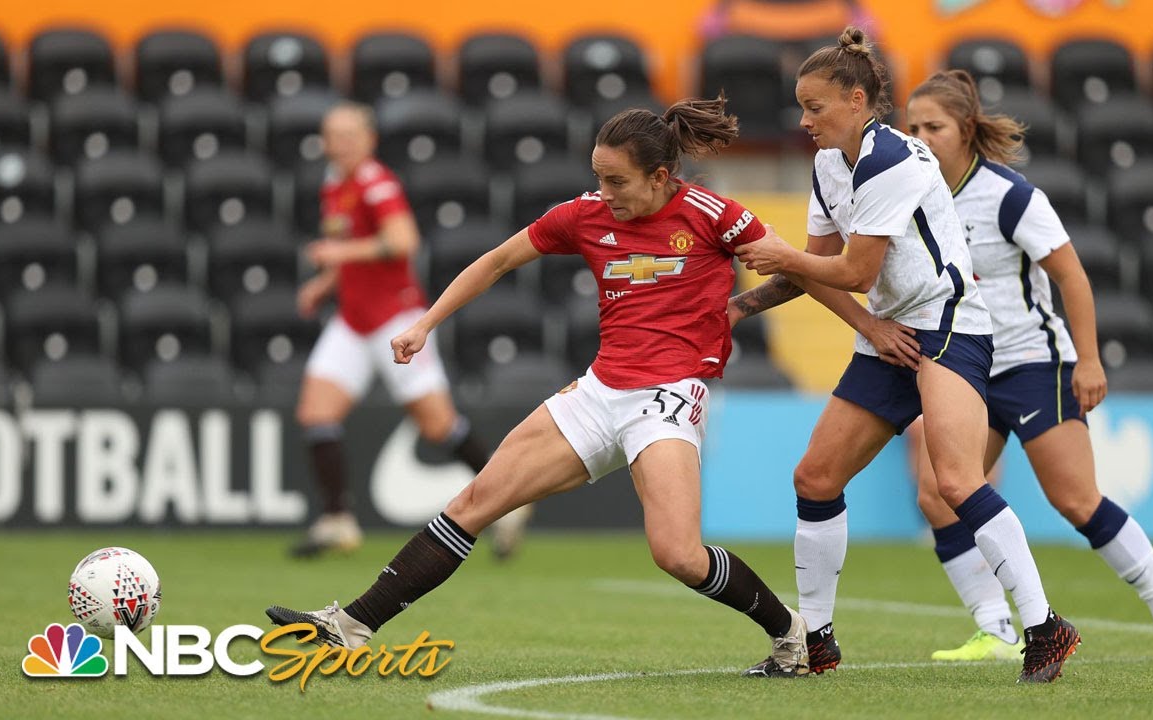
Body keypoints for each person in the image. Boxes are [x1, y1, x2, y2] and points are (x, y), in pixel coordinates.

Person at [268, 96, 813, 678]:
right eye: (597, 177)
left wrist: (747, 308)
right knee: (473, 503)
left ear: (659, 177)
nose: (603, 192)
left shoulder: (713, 214)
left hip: (670, 396)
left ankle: (791, 633)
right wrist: (426, 322)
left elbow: (799, 269)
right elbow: (498, 261)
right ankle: (350, 626)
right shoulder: (585, 213)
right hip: (600, 391)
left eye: (616, 181)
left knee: (676, 554)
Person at [729, 27, 1080, 683]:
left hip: (948, 326)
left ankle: (1044, 628)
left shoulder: (894, 160)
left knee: (953, 482)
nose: (803, 120)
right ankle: (817, 646)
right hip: (889, 331)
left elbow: (854, 268)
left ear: (858, 99)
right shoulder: (830, 163)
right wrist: (736, 309)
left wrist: (781, 257)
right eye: (801, 108)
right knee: (816, 479)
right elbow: (818, 271)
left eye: (816, 107)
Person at [904, 69, 1153, 663]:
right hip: (968, 367)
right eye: (912, 127)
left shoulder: (1010, 194)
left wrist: (1089, 360)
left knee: (1075, 501)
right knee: (938, 496)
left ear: (966, 129)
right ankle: (995, 629)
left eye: (933, 126)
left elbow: (1071, 275)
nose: (920, 136)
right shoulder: (914, 196)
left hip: (1032, 364)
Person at [292, 102, 530, 560]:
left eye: (347, 135)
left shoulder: (375, 183)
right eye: (331, 135)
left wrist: (336, 259)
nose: (337, 144)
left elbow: (403, 241)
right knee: (316, 412)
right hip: (353, 318)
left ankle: (508, 502)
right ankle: (337, 519)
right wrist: (324, 285)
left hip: (395, 319)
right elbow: (354, 249)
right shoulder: (333, 182)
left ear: (369, 139)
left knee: (438, 424)